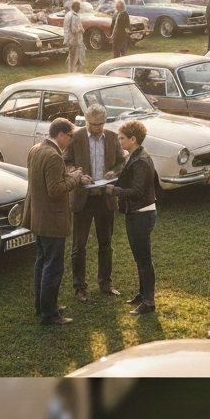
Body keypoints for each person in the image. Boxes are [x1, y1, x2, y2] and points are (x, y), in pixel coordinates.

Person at [23, 118, 86, 326]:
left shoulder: (36, 149)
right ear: (60, 134)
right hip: (52, 220)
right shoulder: (54, 156)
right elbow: (55, 189)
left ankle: (42, 306)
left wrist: (66, 174)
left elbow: (45, 180)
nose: (71, 140)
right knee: (53, 267)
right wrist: (75, 177)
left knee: (41, 263)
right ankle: (50, 314)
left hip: (38, 218)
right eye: (70, 136)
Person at [65, 104, 123, 301]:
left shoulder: (113, 138)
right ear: (86, 120)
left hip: (105, 198)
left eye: (99, 124)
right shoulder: (77, 137)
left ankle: (105, 282)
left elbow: (121, 162)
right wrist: (78, 176)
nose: (96, 128)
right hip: (83, 197)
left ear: (105, 122)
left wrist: (114, 172)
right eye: (92, 124)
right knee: (79, 246)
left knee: (105, 243)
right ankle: (79, 287)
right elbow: (66, 162)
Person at [104, 120, 157, 315]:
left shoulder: (141, 160)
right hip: (135, 213)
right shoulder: (133, 156)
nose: (119, 141)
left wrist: (113, 190)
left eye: (122, 138)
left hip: (141, 214)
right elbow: (130, 178)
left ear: (133, 139)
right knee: (139, 257)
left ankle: (149, 302)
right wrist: (115, 176)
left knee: (144, 259)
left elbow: (137, 191)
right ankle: (143, 295)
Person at [62, 0, 86, 73]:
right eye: (78, 7)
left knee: (72, 60)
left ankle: (71, 74)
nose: (79, 8)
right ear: (75, 7)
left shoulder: (68, 14)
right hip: (76, 41)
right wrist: (81, 29)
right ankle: (75, 75)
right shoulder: (74, 16)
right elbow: (74, 30)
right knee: (77, 61)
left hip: (70, 40)